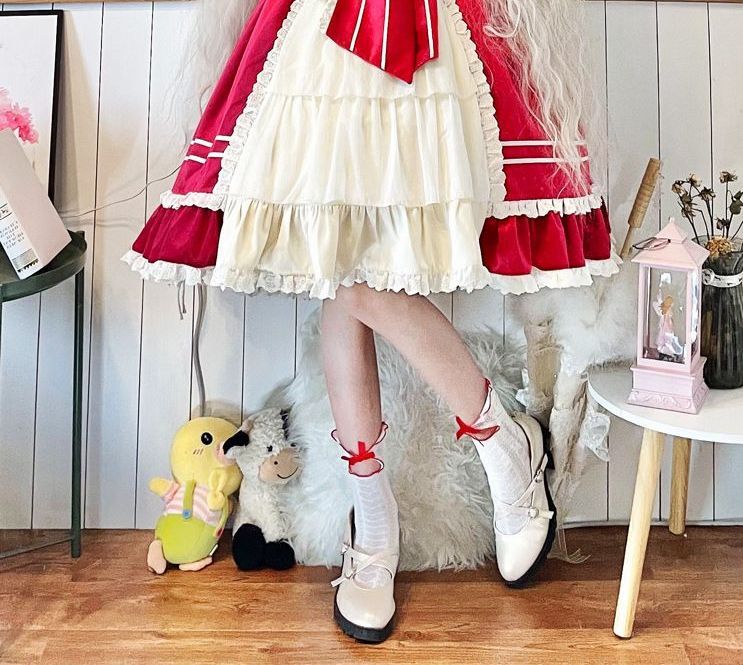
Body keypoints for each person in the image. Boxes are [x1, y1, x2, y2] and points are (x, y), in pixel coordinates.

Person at [124, 0, 619, 643]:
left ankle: (496, 446)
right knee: (337, 258)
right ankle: (387, 500)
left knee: (351, 267)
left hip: (430, 28)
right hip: (319, 30)